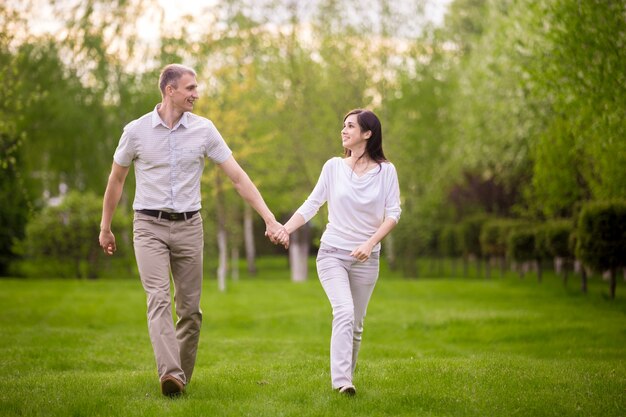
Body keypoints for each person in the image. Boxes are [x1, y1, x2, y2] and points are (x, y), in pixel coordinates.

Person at [98, 64, 285, 397]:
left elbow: (237, 177)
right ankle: (169, 374)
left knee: (190, 311)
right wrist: (106, 227)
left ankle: (179, 378)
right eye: (190, 88)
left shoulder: (204, 130)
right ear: (170, 90)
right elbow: (117, 179)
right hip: (148, 225)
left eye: (196, 88)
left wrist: (269, 219)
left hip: (189, 226)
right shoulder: (136, 131)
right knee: (157, 300)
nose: (196, 94)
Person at [275, 109, 401, 395]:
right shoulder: (333, 167)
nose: (343, 131)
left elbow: (393, 213)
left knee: (356, 325)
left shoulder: (386, 171)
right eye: (343, 126)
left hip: (367, 258)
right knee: (343, 311)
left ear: (367, 134)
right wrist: (286, 228)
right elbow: (312, 203)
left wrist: (369, 244)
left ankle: (348, 379)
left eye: (350, 126)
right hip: (332, 253)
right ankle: (342, 382)